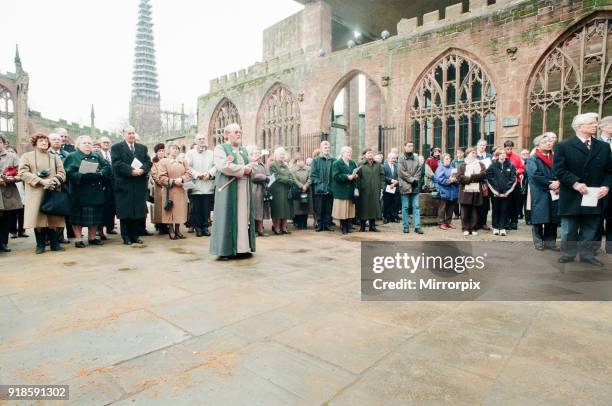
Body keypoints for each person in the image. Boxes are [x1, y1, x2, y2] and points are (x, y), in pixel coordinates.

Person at [554, 113, 611, 266]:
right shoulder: (563, 146)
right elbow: (559, 170)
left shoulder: (603, 147)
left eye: (595, 123)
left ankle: (587, 254)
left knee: (591, 227)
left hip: (594, 194)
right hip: (572, 193)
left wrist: (606, 186)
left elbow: (609, 171)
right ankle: (569, 253)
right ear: (579, 127)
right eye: (591, 123)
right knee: (569, 229)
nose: (595, 125)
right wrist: (576, 183)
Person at [210, 123, 255, 259]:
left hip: (244, 188)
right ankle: (226, 250)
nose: (238, 134)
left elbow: (250, 164)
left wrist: (250, 168)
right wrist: (243, 169)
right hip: (228, 190)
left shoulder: (243, 150)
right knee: (227, 216)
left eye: (239, 131)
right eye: (235, 132)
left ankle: (242, 248)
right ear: (227, 134)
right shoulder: (220, 148)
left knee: (243, 217)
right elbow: (223, 165)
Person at [18, 133, 66, 253]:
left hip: (52, 190)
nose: (44, 143)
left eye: (45, 141)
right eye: (41, 141)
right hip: (36, 192)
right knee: (38, 219)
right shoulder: (27, 156)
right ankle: (40, 245)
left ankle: (55, 244)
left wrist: (54, 180)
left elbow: (62, 173)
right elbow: (23, 173)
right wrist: (41, 181)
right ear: (35, 143)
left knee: (53, 218)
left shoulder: (55, 157)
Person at [63, 135, 112, 248]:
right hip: (79, 192)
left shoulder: (96, 155)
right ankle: (78, 239)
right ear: (78, 145)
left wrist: (100, 174)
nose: (87, 145)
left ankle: (92, 237)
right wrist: (82, 176)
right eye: (84, 143)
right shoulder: (72, 156)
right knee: (78, 218)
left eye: (89, 143)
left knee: (95, 217)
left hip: (95, 192)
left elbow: (106, 167)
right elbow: (67, 173)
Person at [111, 126, 152, 246]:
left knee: (136, 212)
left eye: (133, 133)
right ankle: (126, 236)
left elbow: (148, 162)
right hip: (124, 185)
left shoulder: (142, 148)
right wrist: (131, 171)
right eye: (129, 133)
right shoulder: (117, 148)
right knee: (126, 212)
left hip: (138, 184)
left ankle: (135, 235)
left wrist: (142, 170)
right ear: (123, 134)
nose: (132, 135)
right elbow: (117, 164)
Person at [526, 134, 560, 250]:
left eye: (550, 141)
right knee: (539, 217)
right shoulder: (533, 159)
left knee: (553, 217)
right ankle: (538, 241)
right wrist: (550, 183)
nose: (549, 143)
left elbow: (561, 170)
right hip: (540, 191)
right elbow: (535, 175)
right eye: (545, 142)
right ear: (538, 145)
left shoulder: (555, 157)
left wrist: (558, 182)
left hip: (555, 191)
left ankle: (550, 241)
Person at [157, 143, 192, 240]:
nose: (175, 150)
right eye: (173, 148)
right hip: (170, 190)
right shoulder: (164, 161)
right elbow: (161, 177)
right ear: (168, 150)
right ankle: (171, 230)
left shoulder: (183, 161)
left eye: (177, 148)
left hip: (180, 189)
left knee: (179, 210)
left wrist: (182, 179)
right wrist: (173, 181)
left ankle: (178, 230)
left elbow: (189, 173)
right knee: (170, 210)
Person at [186, 134, 216, 237]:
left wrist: (209, 174)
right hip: (196, 185)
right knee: (196, 208)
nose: (202, 140)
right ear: (196, 141)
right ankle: (198, 227)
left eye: (203, 139)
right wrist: (197, 175)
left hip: (208, 185)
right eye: (199, 139)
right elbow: (187, 167)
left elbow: (216, 165)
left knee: (206, 208)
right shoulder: (190, 153)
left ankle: (205, 226)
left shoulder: (211, 153)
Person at [486, 148, 517, 236]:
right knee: (496, 209)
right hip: (495, 192)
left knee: (504, 209)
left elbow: (513, 179)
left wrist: (507, 191)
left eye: (504, 153)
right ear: (497, 155)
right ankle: (495, 227)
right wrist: (495, 191)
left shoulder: (511, 165)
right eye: (501, 153)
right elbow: (489, 178)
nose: (503, 155)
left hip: (506, 193)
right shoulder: (492, 165)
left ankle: (502, 227)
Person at [48, 132, 73, 243]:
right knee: (48, 212)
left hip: (64, 187)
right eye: (54, 139)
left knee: (61, 212)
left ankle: (60, 237)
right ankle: (47, 238)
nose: (58, 141)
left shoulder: (67, 154)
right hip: (48, 186)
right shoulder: (45, 153)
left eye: (59, 139)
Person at [0, 136, 23, 252]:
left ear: (4, 143)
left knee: (6, 218)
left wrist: (11, 178)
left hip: (8, 192)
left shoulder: (12, 157)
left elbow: (21, 173)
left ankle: (3, 243)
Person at [458, 148, 486, 236]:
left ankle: (473, 228)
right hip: (465, 191)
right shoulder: (462, 165)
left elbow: (483, 174)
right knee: (465, 211)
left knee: (475, 210)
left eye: (475, 153)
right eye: (472, 153)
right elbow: (460, 177)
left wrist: (471, 176)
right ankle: (465, 228)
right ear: (467, 154)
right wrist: (471, 179)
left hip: (477, 191)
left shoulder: (480, 164)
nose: (474, 154)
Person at [331, 146, 358, 235]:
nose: (349, 154)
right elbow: (335, 176)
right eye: (347, 152)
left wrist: (355, 176)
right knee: (342, 210)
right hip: (341, 190)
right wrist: (346, 177)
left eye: (350, 152)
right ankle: (343, 227)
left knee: (349, 209)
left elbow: (355, 172)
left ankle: (348, 226)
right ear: (342, 153)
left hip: (350, 189)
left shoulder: (352, 163)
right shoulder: (337, 163)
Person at [398, 141, 423, 234]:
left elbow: (419, 170)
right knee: (405, 207)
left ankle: (417, 227)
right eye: (408, 146)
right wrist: (412, 180)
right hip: (405, 185)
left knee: (416, 206)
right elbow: (401, 172)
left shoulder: (416, 158)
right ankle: (405, 226)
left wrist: (415, 179)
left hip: (415, 186)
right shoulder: (401, 158)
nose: (410, 147)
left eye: (412, 146)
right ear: (405, 147)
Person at [357, 148, 384, 232]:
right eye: (368, 153)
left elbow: (382, 176)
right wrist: (359, 188)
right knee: (364, 208)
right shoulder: (361, 164)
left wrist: (382, 187)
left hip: (375, 189)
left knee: (374, 207)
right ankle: (362, 227)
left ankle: (372, 226)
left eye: (371, 153)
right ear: (365, 155)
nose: (370, 155)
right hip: (364, 190)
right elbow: (358, 177)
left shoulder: (378, 165)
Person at [269, 147, 294, 235]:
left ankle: (284, 227)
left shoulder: (286, 165)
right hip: (276, 190)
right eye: (280, 154)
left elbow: (291, 176)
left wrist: (290, 180)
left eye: (283, 154)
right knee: (278, 209)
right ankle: (276, 227)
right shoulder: (272, 165)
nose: (282, 156)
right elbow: (276, 177)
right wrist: (287, 180)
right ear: (275, 155)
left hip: (286, 190)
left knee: (286, 209)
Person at [310, 141, 335, 232]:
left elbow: (334, 175)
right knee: (319, 208)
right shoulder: (316, 160)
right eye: (325, 148)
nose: (327, 149)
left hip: (330, 188)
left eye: (328, 148)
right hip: (319, 188)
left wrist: (331, 185)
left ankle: (327, 224)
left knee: (328, 208)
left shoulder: (333, 160)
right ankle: (319, 225)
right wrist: (320, 184)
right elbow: (313, 175)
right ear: (321, 149)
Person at [597, 116, 612, 254]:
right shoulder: (596, 142)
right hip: (600, 185)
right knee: (598, 216)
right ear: (605, 127)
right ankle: (593, 247)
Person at [248, 147, 271, 236]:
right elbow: (254, 176)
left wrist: (268, 177)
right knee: (255, 210)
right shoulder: (250, 165)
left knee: (262, 210)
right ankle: (253, 230)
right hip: (254, 189)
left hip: (263, 190)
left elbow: (268, 174)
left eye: (258, 153)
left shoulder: (263, 165)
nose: (258, 155)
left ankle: (261, 229)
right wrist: (265, 177)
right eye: (255, 153)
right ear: (251, 155)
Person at [6, 146, 27, 239]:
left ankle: (22, 230)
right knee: (13, 211)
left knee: (22, 211)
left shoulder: (20, 163)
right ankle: (13, 231)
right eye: (9, 151)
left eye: (13, 151)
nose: (11, 153)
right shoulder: (6, 162)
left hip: (21, 189)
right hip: (10, 188)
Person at [433, 153, 459, 230]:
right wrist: (449, 181)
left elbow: (457, 178)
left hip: (453, 191)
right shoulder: (440, 168)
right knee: (442, 208)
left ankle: (448, 222)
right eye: (446, 159)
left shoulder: (453, 168)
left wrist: (456, 180)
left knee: (450, 208)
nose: (448, 160)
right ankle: (441, 223)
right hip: (444, 191)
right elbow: (439, 179)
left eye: (449, 158)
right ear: (442, 160)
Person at [503, 140, 525, 230]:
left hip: (515, 183)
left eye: (511, 148)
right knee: (506, 203)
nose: (509, 150)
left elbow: (522, 168)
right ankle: (507, 221)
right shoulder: (502, 156)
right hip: (505, 184)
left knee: (515, 203)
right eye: (507, 148)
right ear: (504, 148)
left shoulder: (517, 157)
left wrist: (516, 171)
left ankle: (514, 221)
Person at [98, 136, 116, 236]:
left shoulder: (112, 154)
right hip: (101, 184)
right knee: (102, 208)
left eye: (108, 142)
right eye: (104, 142)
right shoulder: (97, 155)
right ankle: (100, 230)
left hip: (112, 184)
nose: (106, 144)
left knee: (111, 207)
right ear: (100, 143)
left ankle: (110, 227)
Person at [291, 154, 312, 230]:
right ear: (296, 162)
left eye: (302, 160)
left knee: (306, 207)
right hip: (297, 190)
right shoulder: (292, 170)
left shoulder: (308, 169)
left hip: (307, 190)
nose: (301, 162)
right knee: (298, 207)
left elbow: (310, 178)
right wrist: (301, 186)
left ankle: (305, 223)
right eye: (299, 161)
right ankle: (299, 223)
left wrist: (306, 186)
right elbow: (294, 179)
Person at [149, 144, 167, 235]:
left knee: (168, 206)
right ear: (156, 153)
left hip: (168, 188)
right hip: (159, 188)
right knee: (159, 207)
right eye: (159, 151)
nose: (161, 153)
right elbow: (155, 176)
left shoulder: (168, 161)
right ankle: (160, 226)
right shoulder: (154, 163)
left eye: (163, 151)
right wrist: (163, 183)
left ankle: (168, 224)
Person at [475, 140, 492, 231]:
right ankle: (477, 223)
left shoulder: (489, 156)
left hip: (486, 183)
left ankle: (484, 223)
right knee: (477, 202)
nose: (482, 147)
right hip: (476, 182)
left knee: (485, 204)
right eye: (480, 145)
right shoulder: (474, 156)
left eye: (484, 145)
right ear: (477, 146)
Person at [382, 152, 400, 223]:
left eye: (394, 158)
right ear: (388, 158)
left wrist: (396, 182)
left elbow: (400, 176)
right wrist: (391, 181)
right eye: (392, 158)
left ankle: (394, 216)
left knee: (395, 202)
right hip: (388, 187)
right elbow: (383, 176)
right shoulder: (384, 166)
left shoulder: (397, 166)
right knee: (387, 202)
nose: (393, 159)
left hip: (396, 187)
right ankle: (386, 217)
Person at [451, 148, 465, 219]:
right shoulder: (454, 162)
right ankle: (456, 214)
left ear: (463, 153)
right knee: (456, 198)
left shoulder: (465, 161)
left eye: (461, 153)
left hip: (463, 181)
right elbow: (452, 171)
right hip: (455, 182)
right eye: (458, 153)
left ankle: (462, 213)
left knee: (463, 198)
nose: (459, 154)